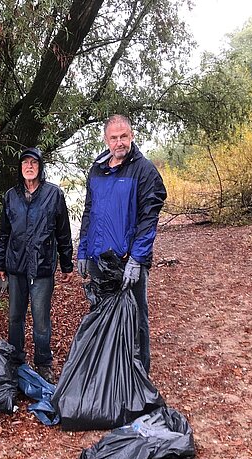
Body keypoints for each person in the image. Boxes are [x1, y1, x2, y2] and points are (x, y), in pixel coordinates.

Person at [76, 115, 167, 375]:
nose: (119, 142)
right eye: (114, 138)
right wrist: (82, 251)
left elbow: (149, 219)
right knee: (102, 317)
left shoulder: (144, 170)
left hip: (127, 261)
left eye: (123, 136)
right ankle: (110, 375)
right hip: (98, 260)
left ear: (132, 136)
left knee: (135, 318)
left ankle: (138, 375)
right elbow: (89, 212)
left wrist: (137, 259)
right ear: (106, 140)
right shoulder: (97, 168)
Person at [0, 147, 74, 384]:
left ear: (40, 167)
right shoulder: (10, 196)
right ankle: (16, 361)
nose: (29, 167)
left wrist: (67, 265)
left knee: (41, 320)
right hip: (16, 267)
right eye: (25, 163)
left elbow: (63, 233)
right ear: (20, 168)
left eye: (34, 163)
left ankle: (43, 363)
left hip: (42, 268)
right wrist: (0, 264)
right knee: (15, 317)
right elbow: (4, 233)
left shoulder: (54, 195)